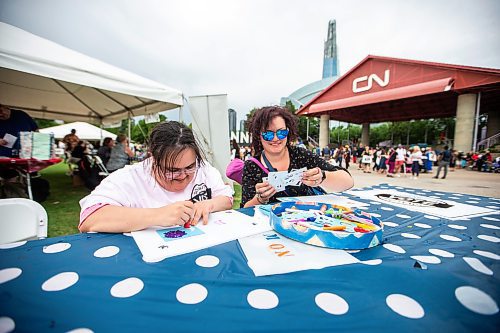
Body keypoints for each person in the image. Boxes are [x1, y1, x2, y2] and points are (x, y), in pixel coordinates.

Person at [79, 121, 233, 233]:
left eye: (190, 167)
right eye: (172, 170)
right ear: (153, 158)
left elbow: (226, 199)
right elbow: (89, 218)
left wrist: (209, 204)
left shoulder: (203, 169)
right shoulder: (129, 178)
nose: (182, 176)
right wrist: (158, 215)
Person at [241, 106, 353, 207]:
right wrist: (260, 199)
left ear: (288, 132)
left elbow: (348, 182)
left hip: (307, 221)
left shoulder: (301, 155)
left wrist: (322, 177)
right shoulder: (252, 165)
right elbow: (245, 208)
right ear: (259, 136)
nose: (275, 139)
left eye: (281, 133)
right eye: (268, 134)